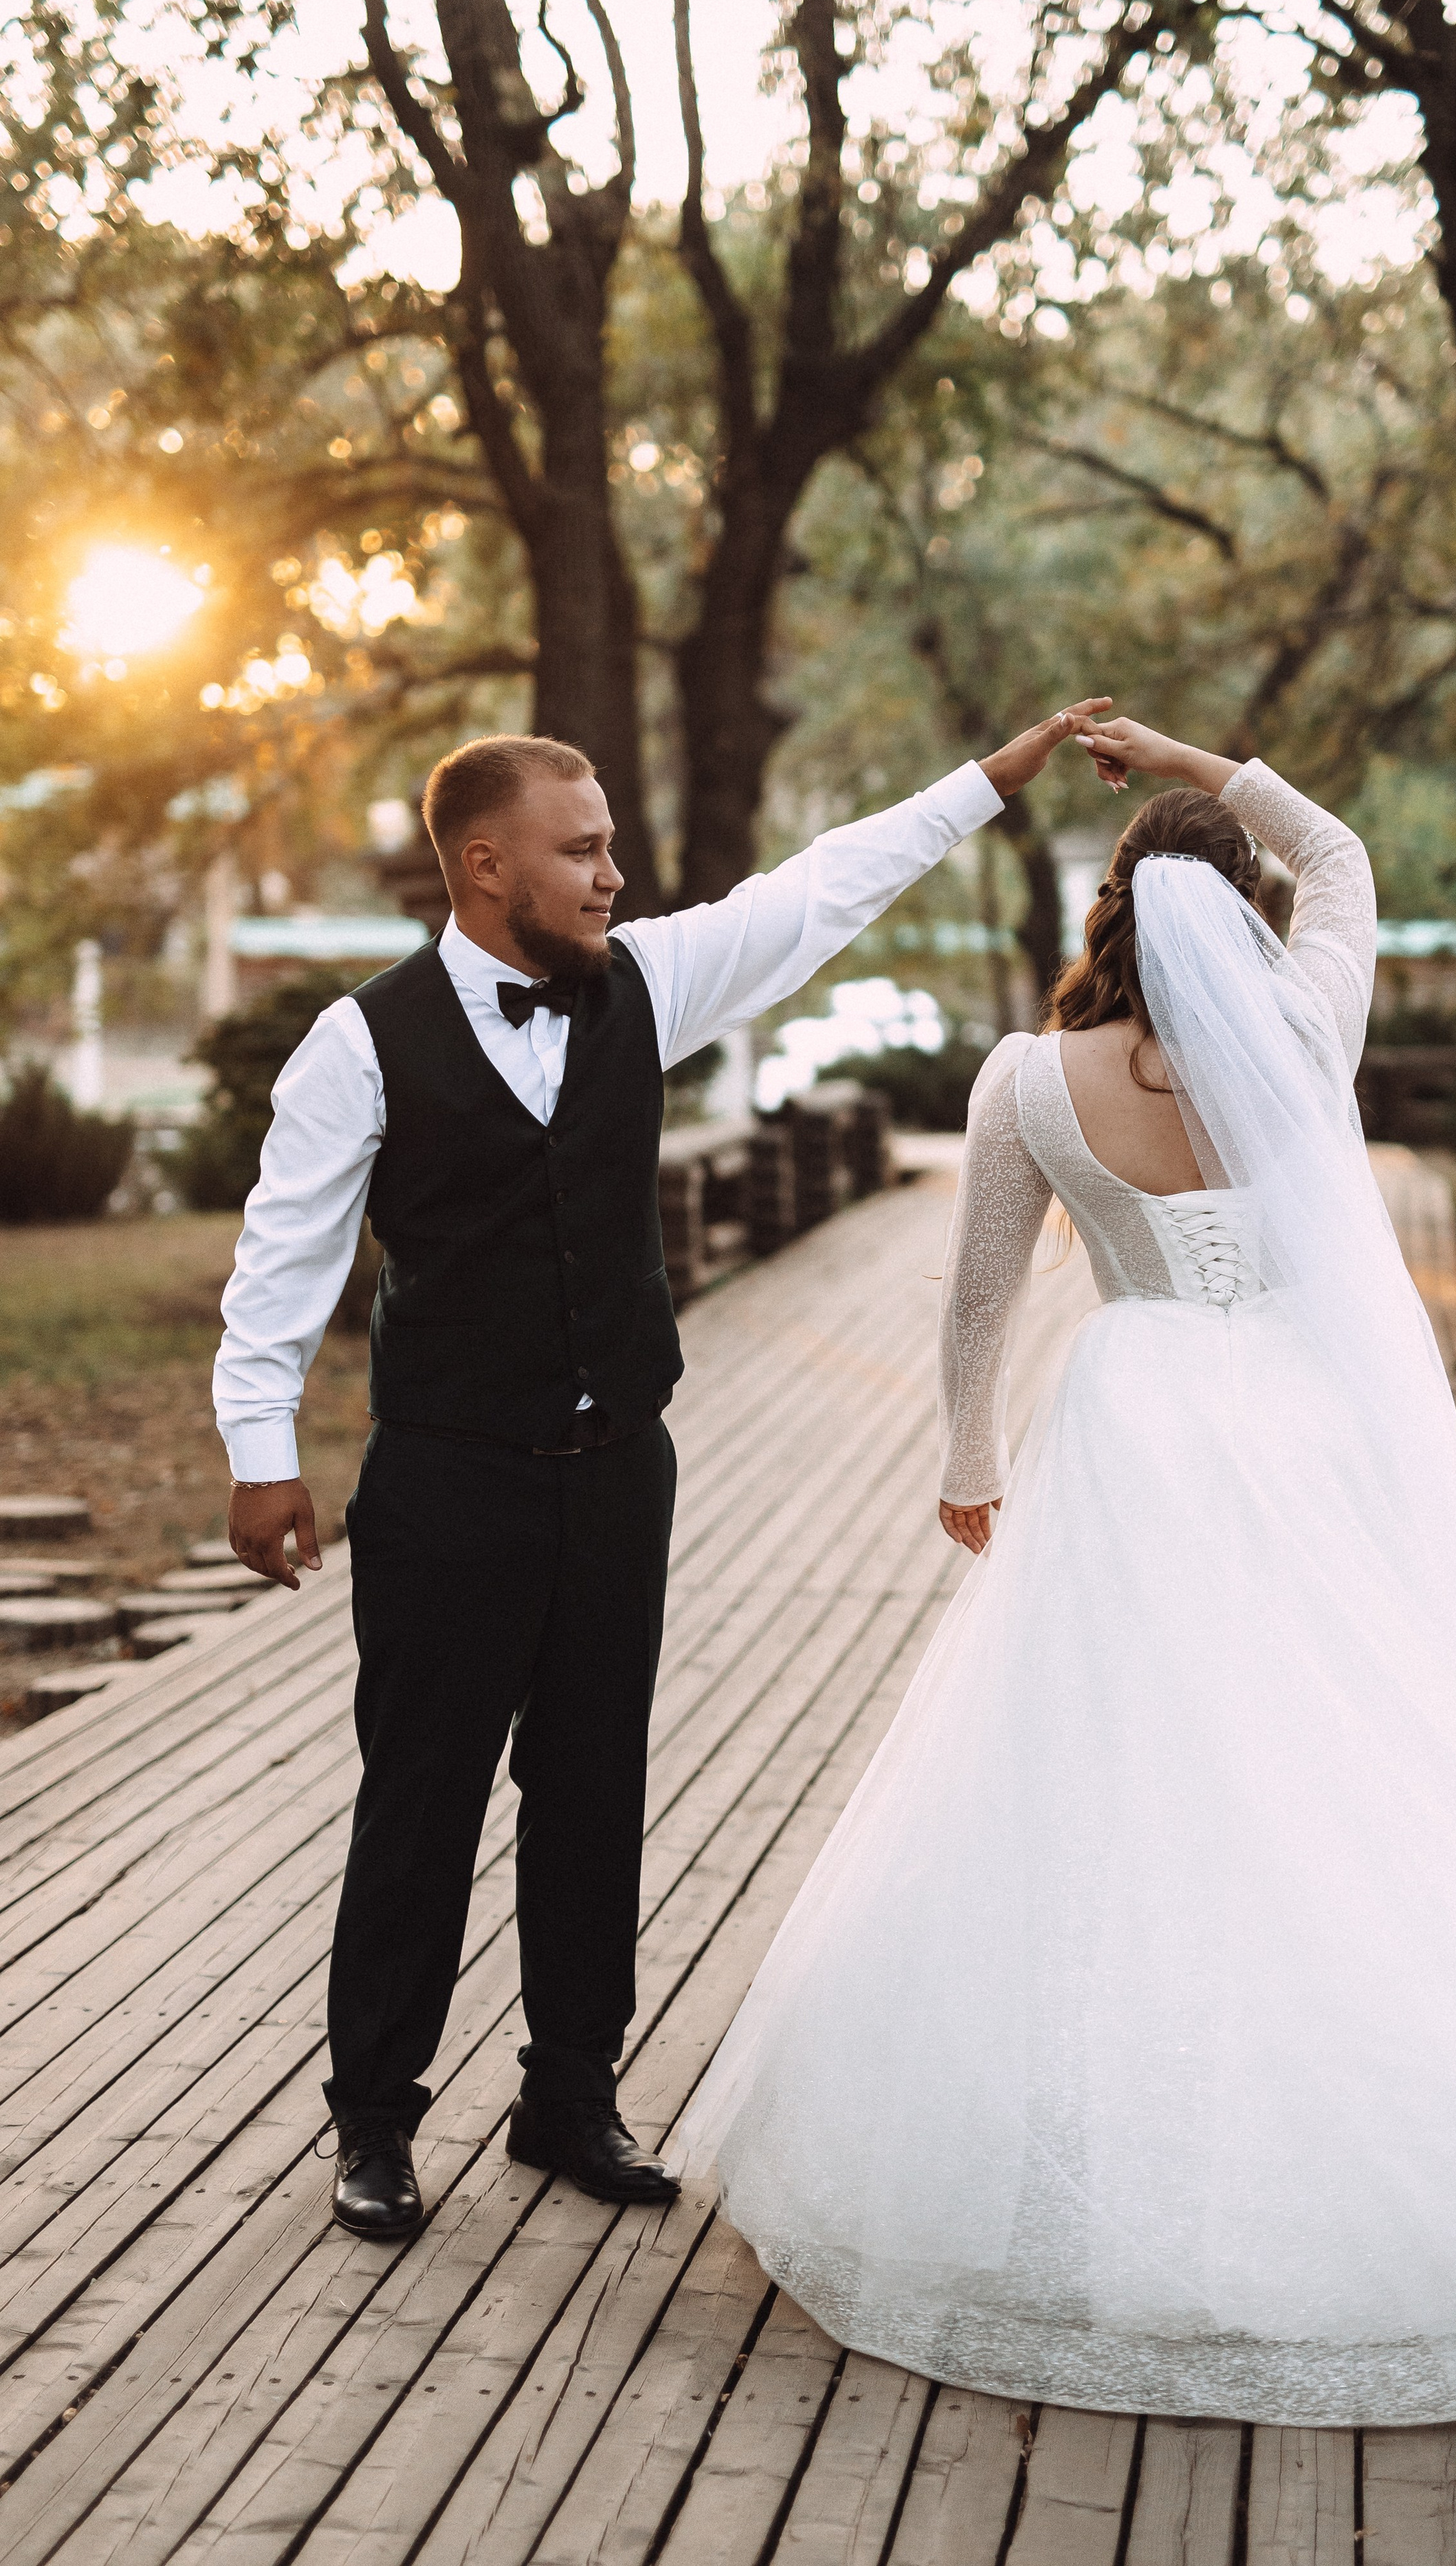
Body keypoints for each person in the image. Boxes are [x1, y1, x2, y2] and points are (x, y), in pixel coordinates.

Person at [677, 719, 1456, 2426]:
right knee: (1342, 1752)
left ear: (1108, 905)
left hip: (1137, 1421)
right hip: (1306, 1433)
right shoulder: (1302, 1023)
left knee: (1115, 1777)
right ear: (1238, 907)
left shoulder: (1026, 1082)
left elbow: (972, 1300)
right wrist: (1180, 754)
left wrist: (967, 1454)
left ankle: (1118, 2133)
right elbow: (1341, 856)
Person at [213, 701, 1110, 2239]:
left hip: (619, 1469)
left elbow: (816, 890)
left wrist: (984, 782)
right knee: (421, 1798)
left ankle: (568, 2093)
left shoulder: (644, 986)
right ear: (483, 865)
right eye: (583, 851)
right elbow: (281, 1254)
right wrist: (260, 1453)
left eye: (611, 846)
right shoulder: (359, 1043)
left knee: (590, 1785)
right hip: (444, 1479)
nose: (614, 875)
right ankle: (373, 2118)